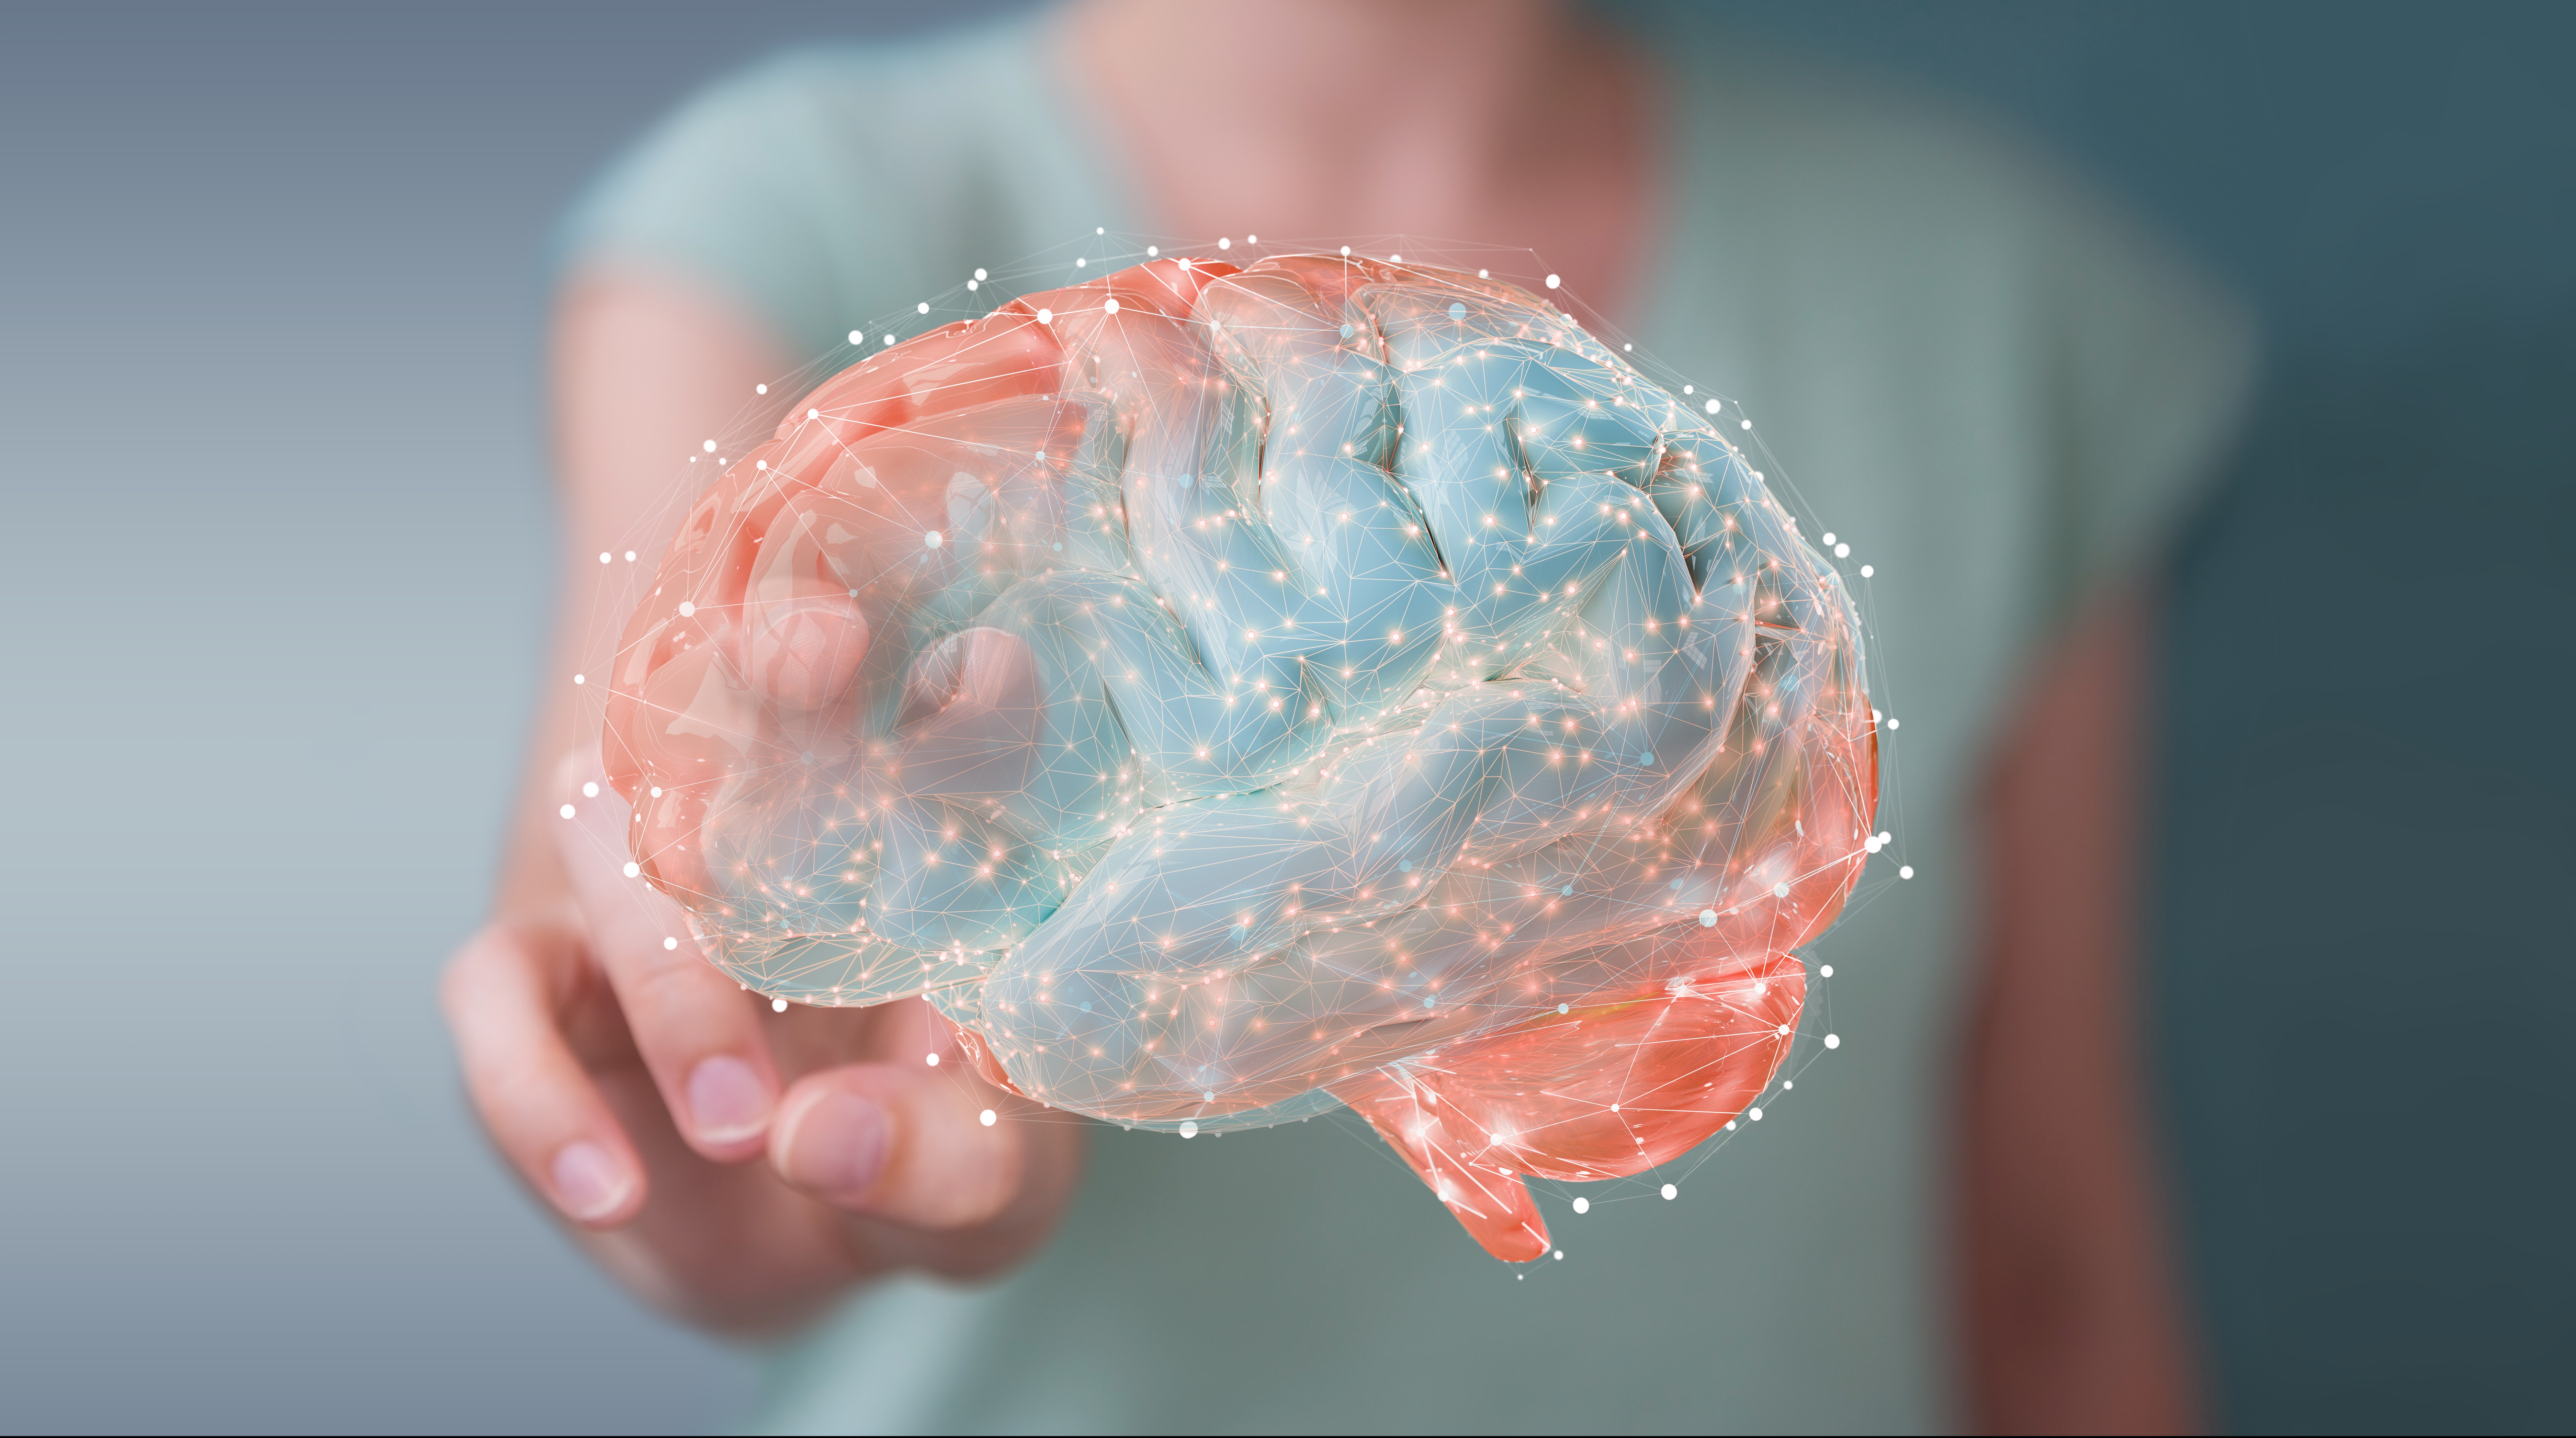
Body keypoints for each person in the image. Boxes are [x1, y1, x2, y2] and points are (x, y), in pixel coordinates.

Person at [441, 0, 2252, 1428]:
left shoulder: (1986, 305)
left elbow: (2052, 1259)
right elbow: (665, 944)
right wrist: (727, 1137)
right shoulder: (792, 215)